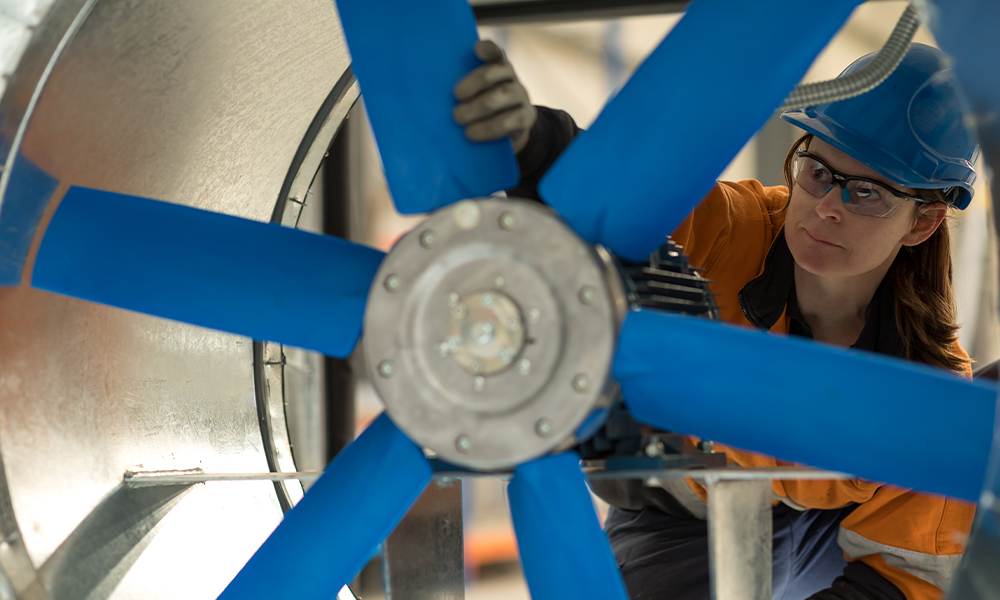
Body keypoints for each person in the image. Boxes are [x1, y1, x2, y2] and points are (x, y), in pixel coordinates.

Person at [453, 40, 979, 600]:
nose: (829, 205)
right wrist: (534, 143)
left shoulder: (932, 383)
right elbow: (631, 198)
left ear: (921, 223)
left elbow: (903, 575)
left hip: (836, 533)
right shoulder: (735, 231)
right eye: (819, 172)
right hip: (689, 512)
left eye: (868, 193)